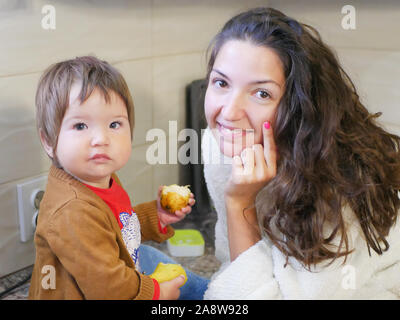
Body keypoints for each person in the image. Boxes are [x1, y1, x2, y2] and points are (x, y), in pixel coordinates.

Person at [201, 7, 400, 299]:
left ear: (298, 107)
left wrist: (239, 203)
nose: (229, 112)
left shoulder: (331, 185)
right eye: (221, 83)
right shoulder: (221, 143)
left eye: (261, 93)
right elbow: (234, 268)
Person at [29, 56, 195, 300]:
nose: (101, 139)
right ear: (48, 142)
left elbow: (113, 228)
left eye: (115, 124)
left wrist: (155, 216)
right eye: (80, 126)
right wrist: (156, 293)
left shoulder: (101, 178)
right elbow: (108, 288)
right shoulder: (72, 211)